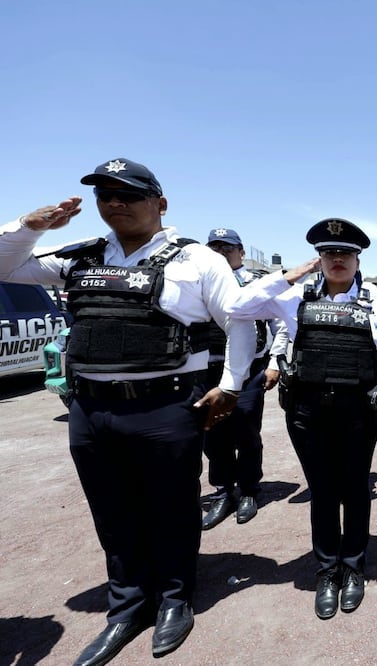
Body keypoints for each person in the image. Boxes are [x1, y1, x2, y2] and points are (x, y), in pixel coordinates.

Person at [0, 158, 257, 664]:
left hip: (165, 406)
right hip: (91, 409)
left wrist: (229, 386)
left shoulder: (198, 260)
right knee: (113, 514)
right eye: (105, 195)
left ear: (159, 204)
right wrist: (28, 227)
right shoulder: (80, 257)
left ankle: (175, 599)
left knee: (172, 508)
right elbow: (5, 267)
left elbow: (240, 323)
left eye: (129, 195)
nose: (114, 203)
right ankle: (127, 606)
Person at [224, 218, 377, 619]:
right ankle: (328, 569)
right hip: (309, 413)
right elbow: (236, 306)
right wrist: (289, 275)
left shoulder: (375, 303)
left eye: (345, 253)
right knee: (324, 491)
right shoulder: (294, 296)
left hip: (359, 412)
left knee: (356, 489)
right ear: (318, 258)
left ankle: (354, 565)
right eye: (329, 253)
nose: (337, 259)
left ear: (358, 259)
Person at [201, 228, 284, 529]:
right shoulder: (199, 281)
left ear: (241, 252)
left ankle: (249, 489)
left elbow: (280, 325)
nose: (222, 253)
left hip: (250, 370)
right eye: (215, 248)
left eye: (228, 248)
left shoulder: (256, 284)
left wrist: (275, 362)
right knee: (212, 431)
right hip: (207, 367)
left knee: (247, 427)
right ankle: (223, 490)